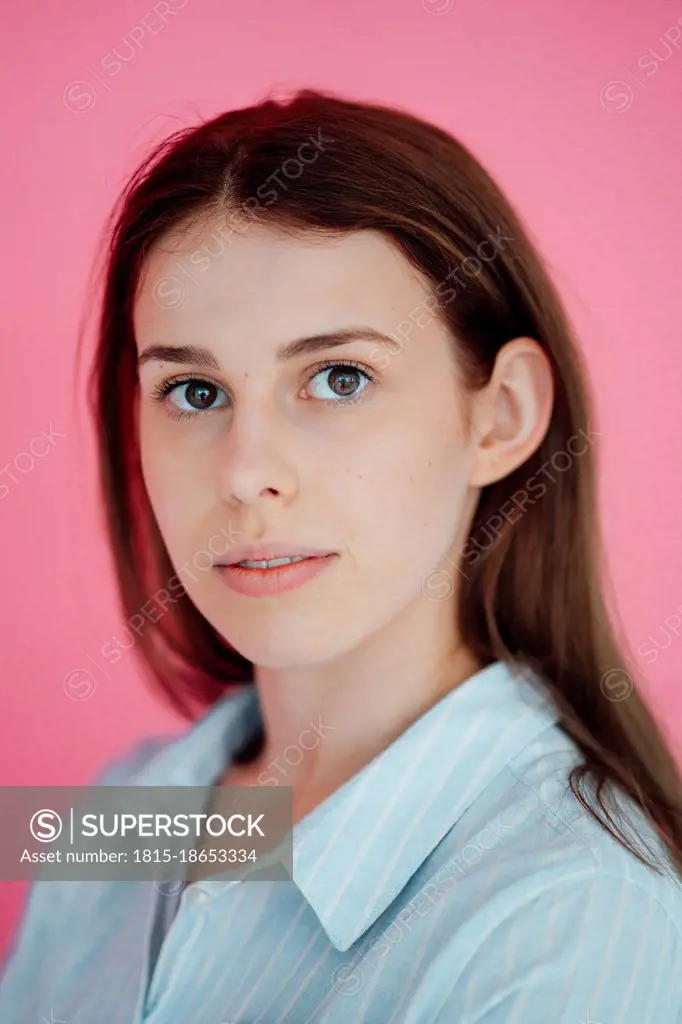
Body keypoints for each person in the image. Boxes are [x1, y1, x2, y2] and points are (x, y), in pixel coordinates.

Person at [2, 87, 682, 1023]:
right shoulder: (119, 810)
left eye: (338, 377)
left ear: (504, 414)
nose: (246, 474)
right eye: (194, 392)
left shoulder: (573, 922)